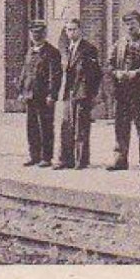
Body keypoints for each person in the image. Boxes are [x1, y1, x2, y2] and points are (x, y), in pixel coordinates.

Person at [107, 10, 140, 171]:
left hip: (139, 92)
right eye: (127, 24)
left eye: (133, 23)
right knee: (121, 126)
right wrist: (116, 73)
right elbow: (109, 65)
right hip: (122, 93)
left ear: (139, 25)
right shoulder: (118, 44)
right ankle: (120, 159)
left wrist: (137, 73)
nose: (130, 27)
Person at [55, 18, 103, 170]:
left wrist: (93, 94)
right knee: (66, 125)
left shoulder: (89, 49)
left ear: (80, 30)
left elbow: (96, 74)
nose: (71, 33)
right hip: (69, 92)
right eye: (68, 30)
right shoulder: (68, 49)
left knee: (80, 126)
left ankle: (81, 160)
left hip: (82, 93)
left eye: (74, 29)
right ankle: (65, 159)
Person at [18, 21, 62, 167]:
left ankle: (46, 157)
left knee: (45, 127)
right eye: (33, 33)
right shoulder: (30, 51)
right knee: (31, 127)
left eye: (38, 33)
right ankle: (34, 155)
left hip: (44, 96)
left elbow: (54, 76)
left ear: (44, 34)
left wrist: (52, 95)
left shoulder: (52, 52)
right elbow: (25, 73)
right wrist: (21, 91)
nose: (35, 36)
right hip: (30, 95)